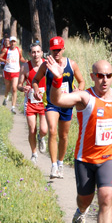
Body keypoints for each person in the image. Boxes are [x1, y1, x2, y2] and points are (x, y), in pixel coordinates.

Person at [46, 56, 112, 223]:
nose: (105, 80)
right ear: (93, 76)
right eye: (100, 76)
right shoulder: (85, 97)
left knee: (107, 197)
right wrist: (58, 80)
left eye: (109, 76)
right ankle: (81, 211)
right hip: (84, 158)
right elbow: (57, 101)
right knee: (85, 198)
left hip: (109, 157)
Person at [32, 36, 84, 179]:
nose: (56, 53)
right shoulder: (46, 65)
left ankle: (61, 163)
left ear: (63, 49)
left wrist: (78, 90)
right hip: (51, 103)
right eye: (54, 50)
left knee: (64, 136)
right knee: (52, 131)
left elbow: (82, 81)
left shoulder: (71, 64)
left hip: (66, 104)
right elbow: (35, 80)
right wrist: (36, 89)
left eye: (59, 50)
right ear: (50, 50)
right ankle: (54, 166)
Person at [18, 43, 48, 163]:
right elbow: (19, 85)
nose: (36, 55)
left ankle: (41, 137)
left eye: (38, 52)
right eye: (33, 52)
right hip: (30, 102)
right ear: (30, 54)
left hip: (44, 102)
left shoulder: (47, 65)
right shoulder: (25, 67)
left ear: (41, 53)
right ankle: (34, 154)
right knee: (32, 129)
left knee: (44, 129)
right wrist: (22, 88)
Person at [0, 36, 26, 114]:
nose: (13, 43)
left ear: (16, 42)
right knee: (8, 87)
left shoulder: (19, 50)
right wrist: (4, 60)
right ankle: (6, 97)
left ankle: (13, 107)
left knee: (14, 88)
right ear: (9, 43)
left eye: (14, 41)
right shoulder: (6, 50)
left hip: (16, 71)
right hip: (7, 71)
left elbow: (21, 58)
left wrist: (25, 61)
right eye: (11, 42)